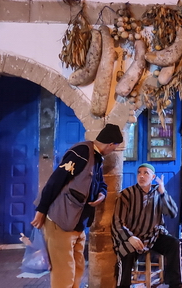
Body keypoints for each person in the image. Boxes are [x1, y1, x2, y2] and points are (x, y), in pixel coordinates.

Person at [30, 123, 123, 288]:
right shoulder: (81, 153)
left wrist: (101, 195)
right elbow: (56, 180)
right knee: (63, 272)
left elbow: (100, 183)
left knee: (77, 268)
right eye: (114, 148)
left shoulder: (97, 158)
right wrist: (41, 210)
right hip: (60, 220)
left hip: (77, 223)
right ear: (110, 145)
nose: (113, 151)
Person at [112, 163, 182, 288]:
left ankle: (175, 285)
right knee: (125, 252)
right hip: (133, 237)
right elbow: (117, 221)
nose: (142, 176)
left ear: (153, 176)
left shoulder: (158, 194)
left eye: (146, 173)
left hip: (153, 236)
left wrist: (163, 192)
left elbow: (172, 213)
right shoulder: (127, 194)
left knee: (174, 244)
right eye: (139, 173)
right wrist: (130, 237)